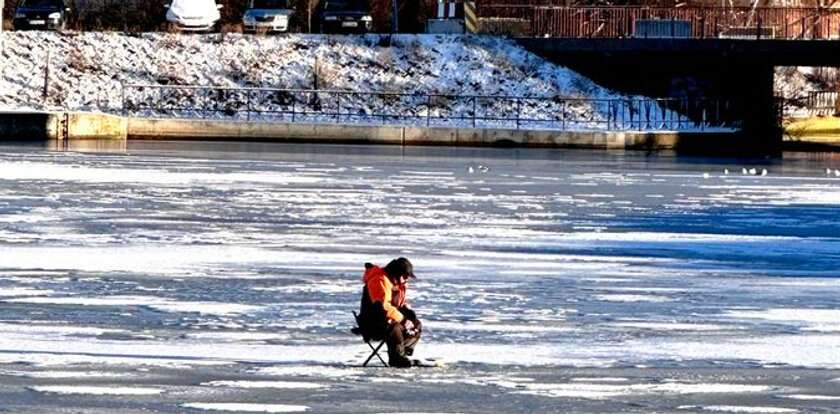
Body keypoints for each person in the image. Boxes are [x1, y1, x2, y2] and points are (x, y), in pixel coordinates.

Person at [356, 257, 422, 368]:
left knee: (417, 324)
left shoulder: (397, 283)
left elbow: (399, 304)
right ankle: (396, 358)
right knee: (394, 327)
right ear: (397, 273)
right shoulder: (380, 280)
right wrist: (404, 320)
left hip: (388, 319)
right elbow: (383, 307)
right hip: (372, 323)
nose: (406, 279)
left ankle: (402, 353)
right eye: (405, 276)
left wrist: (408, 314)